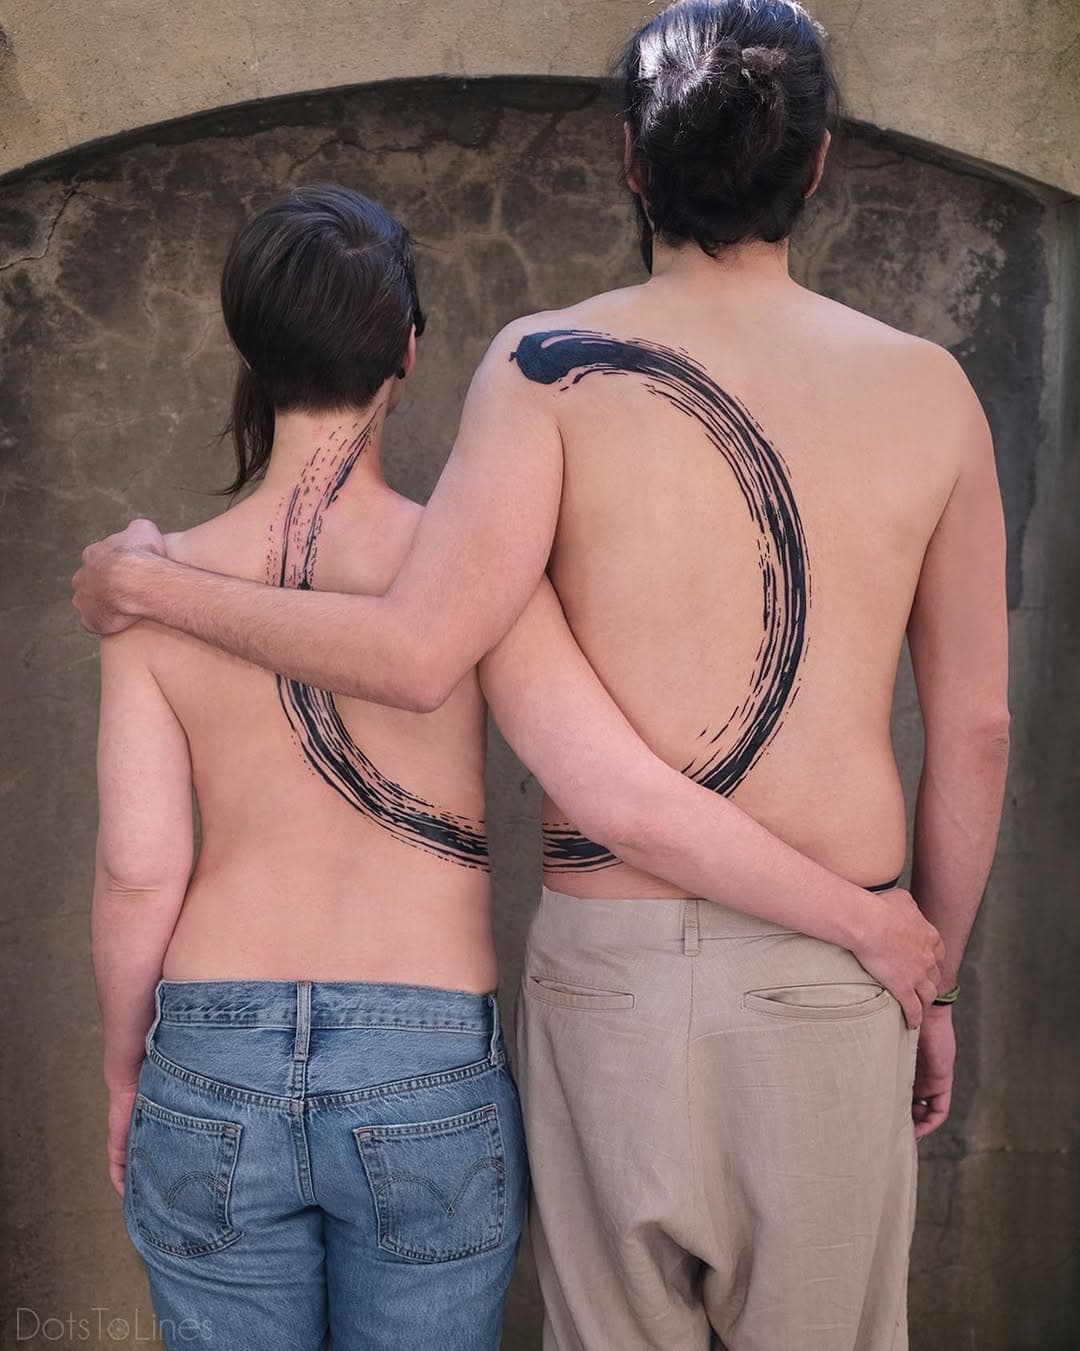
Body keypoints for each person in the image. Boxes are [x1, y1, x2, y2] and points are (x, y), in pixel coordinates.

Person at [72, 0, 1008, 1345]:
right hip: (823, 963)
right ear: (814, 166)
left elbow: (397, 677)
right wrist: (922, 964)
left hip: (597, 971)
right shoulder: (931, 394)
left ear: (632, 163)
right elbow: (974, 731)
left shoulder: (544, 372)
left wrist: (157, 588)